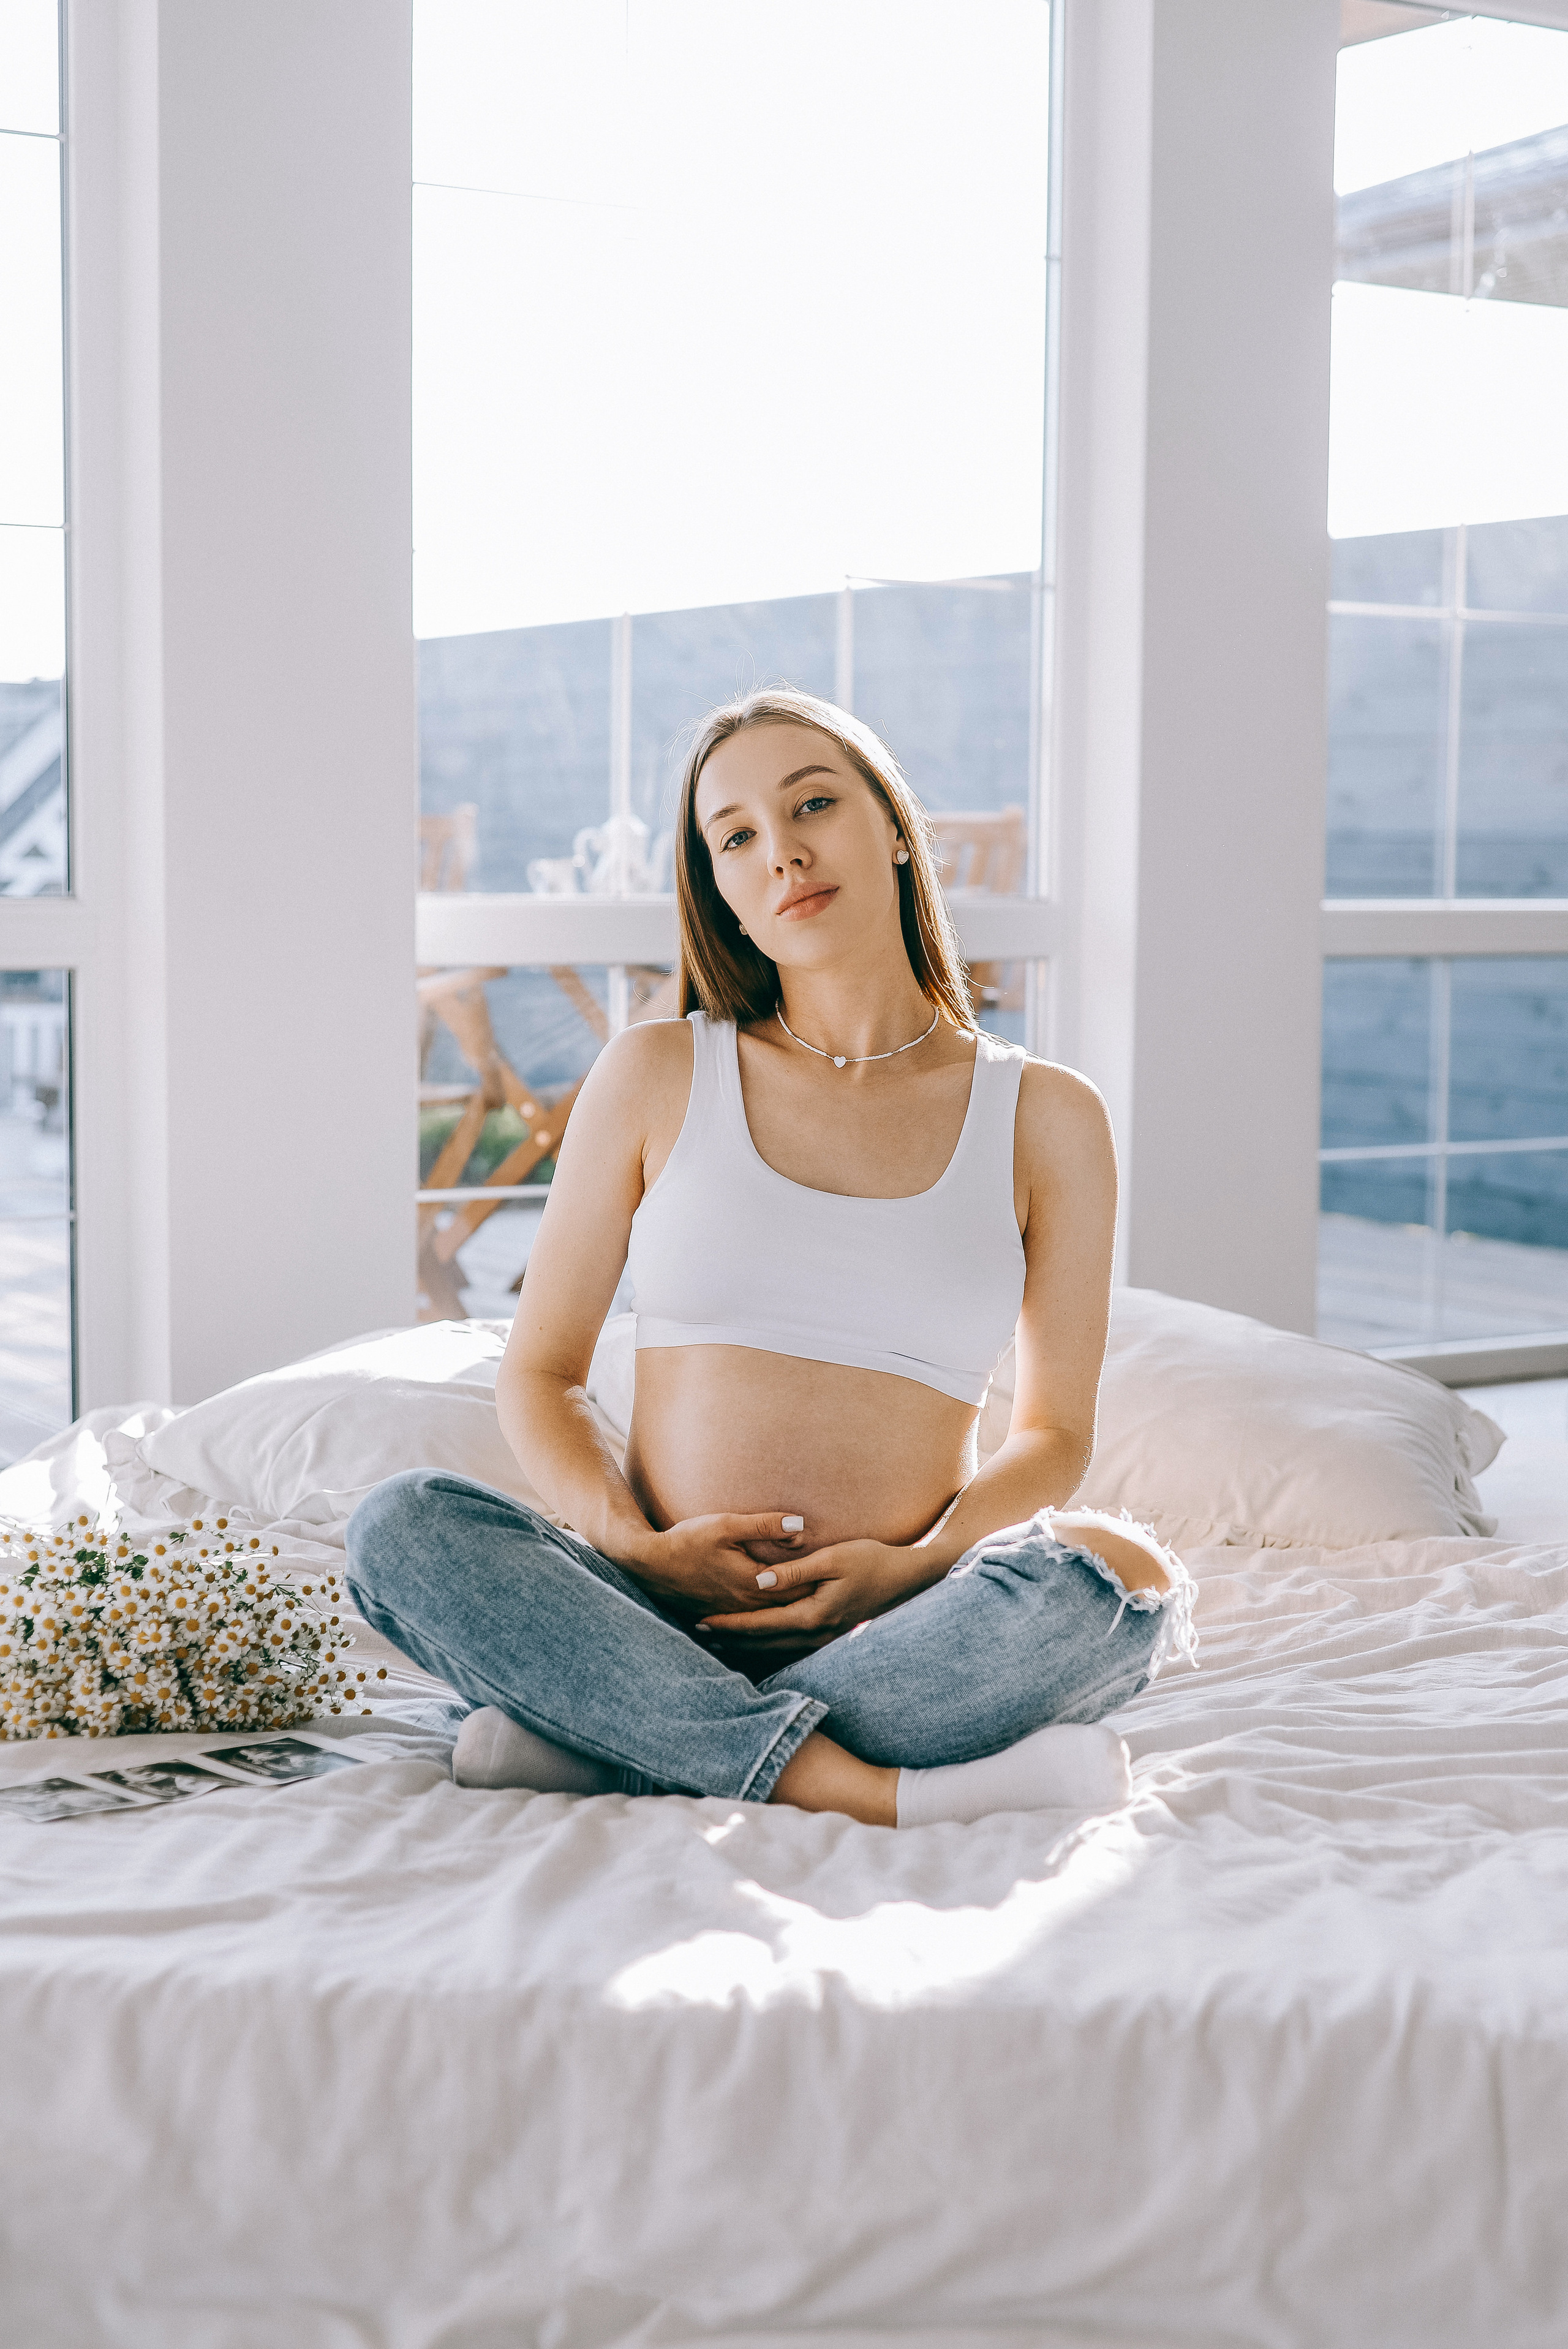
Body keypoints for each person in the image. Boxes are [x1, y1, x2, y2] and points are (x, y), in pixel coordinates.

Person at [347, 688, 1194, 1828]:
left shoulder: (1046, 1114)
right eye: (737, 835)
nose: (782, 850)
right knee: (402, 1525)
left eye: (813, 804)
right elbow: (539, 1371)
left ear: (893, 826)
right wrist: (631, 1547)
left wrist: (922, 1562)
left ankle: (612, 1738)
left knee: (1111, 1587)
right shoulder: (656, 1073)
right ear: (722, 894)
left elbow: (1054, 1436)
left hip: (905, 1623)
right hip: (637, 1602)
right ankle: (858, 1783)